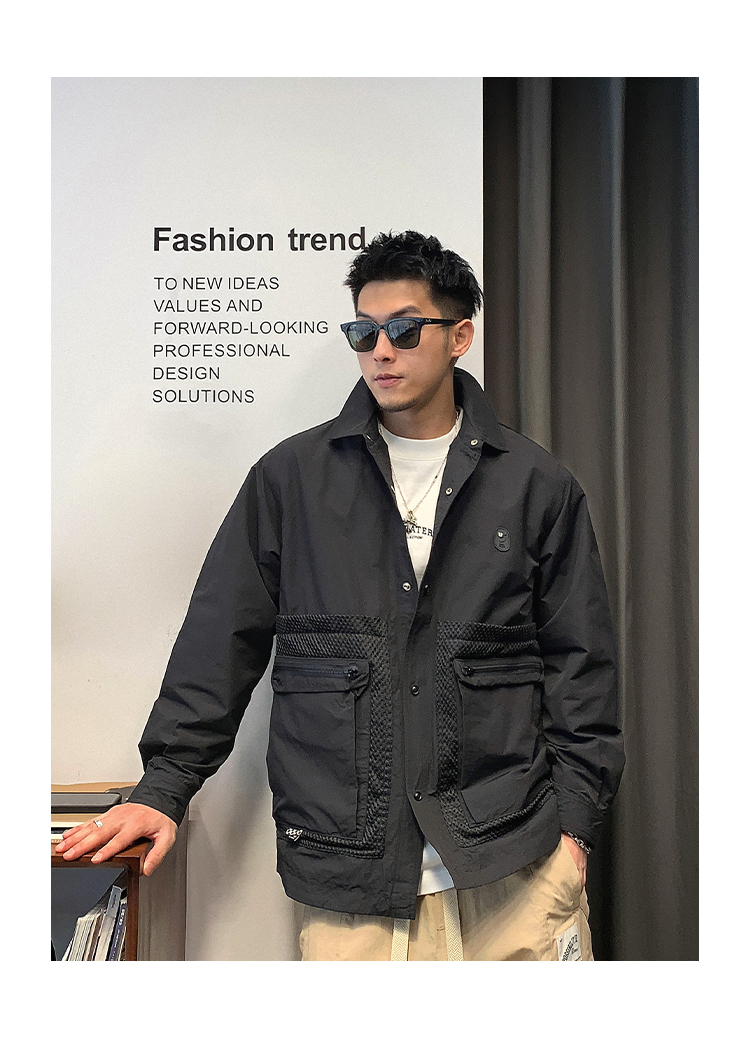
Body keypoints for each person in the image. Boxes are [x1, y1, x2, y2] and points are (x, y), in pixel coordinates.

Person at [57, 230, 624, 961]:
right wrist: (163, 788)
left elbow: (582, 669)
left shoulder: (535, 484)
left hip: (514, 864)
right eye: (364, 332)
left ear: (460, 337)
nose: (381, 351)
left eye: (404, 330)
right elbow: (220, 641)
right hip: (349, 874)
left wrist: (574, 829)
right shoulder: (290, 480)